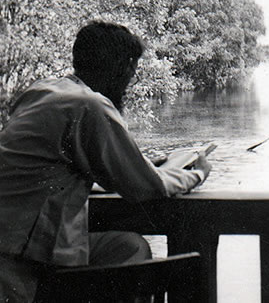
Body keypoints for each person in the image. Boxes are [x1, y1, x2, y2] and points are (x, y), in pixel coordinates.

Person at [0, 21, 212, 302]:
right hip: (18, 261)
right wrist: (197, 173)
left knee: (129, 248)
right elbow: (145, 186)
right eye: (132, 74)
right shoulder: (90, 105)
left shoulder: (42, 92)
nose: (128, 84)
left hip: (19, 244)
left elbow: (59, 166)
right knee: (133, 256)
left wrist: (141, 161)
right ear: (122, 70)